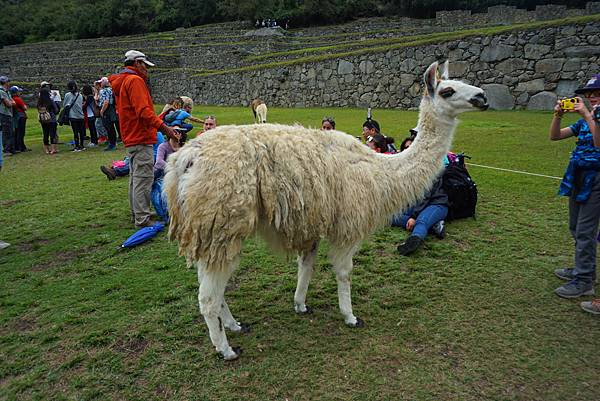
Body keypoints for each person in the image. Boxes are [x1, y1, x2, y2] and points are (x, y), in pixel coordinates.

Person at [109, 50, 178, 228]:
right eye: (145, 66)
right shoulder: (135, 81)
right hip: (140, 136)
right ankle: (142, 218)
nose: (147, 70)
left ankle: (138, 213)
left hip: (132, 136)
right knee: (143, 178)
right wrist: (165, 129)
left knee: (135, 178)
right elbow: (144, 112)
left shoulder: (123, 82)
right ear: (137, 64)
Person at [551, 73, 600, 299]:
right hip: (577, 177)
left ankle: (583, 281)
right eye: (589, 95)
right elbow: (555, 136)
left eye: (597, 94)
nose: (592, 98)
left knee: (585, 231)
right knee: (575, 226)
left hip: (596, 179)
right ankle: (584, 271)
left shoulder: (590, 119)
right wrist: (558, 116)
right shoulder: (583, 122)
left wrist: (588, 116)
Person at [392, 140, 448, 256]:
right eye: (406, 148)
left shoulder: (431, 168)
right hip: (417, 205)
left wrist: (413, 217)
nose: (409, 150)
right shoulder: (407, 169)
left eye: (411, 147)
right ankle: (433, 226)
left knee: (421, 222)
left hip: (435, 203)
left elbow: (426, 196)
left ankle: (413, 241)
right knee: (391, 216)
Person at [63, 80, 86, 152]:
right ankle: (82, 145)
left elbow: (65, 105)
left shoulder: (67, 95)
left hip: (73, 116)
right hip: (80, 115)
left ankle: (77, 146)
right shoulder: (80, 95)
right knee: (81, 131)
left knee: (75, 131)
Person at [99, 77, 119, 151]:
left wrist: (102, 110)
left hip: (107, 109)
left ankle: (111, 144)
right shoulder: (111, 90)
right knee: (111, 128)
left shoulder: (104, 91)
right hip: (112, 108)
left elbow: (106, 101)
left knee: (108, 127)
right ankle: (113, 143)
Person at [37, 88, 59, 154]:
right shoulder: (50, 101)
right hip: (51, 119)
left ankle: (47, 150)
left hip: (43, 120)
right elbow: (56, 110)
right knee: (52, 134)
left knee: (45, 134)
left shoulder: (39, 102)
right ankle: (53, 149)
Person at [10, 86, 29, 152]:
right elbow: (25, 108)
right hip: (21, 116)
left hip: (15, 116)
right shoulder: (17, 99)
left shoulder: (11, 98)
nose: (20, 93)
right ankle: (21, 147)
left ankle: (17, 146)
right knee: (21, 132)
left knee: (17, 132)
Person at [0, 76, 15, 156]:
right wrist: (11, 102)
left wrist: (11, 102)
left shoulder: (7, 91)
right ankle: (6, 150)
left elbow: (12, 102)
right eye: (8, 82)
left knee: (10, 132)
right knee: (6, 132)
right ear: (5, 82)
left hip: (9, 114)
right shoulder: (1, 91)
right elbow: (9, 104)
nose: (9, 83)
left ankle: (11, 149)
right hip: (4, 114)